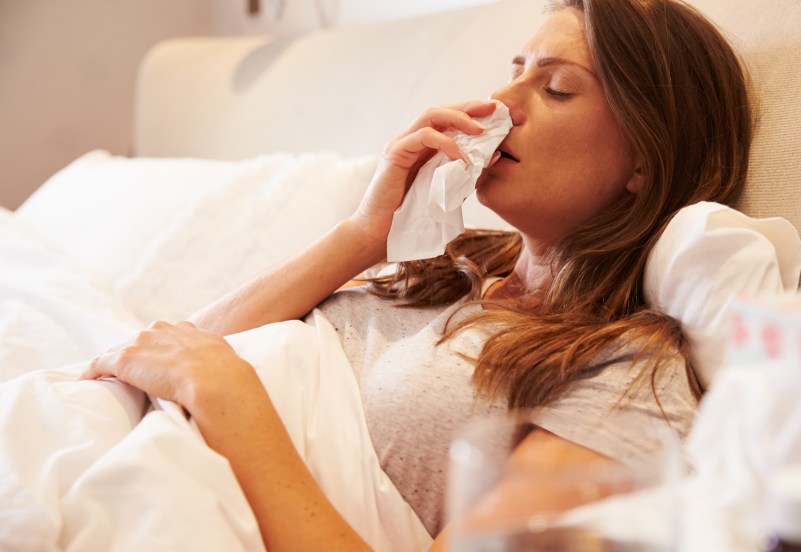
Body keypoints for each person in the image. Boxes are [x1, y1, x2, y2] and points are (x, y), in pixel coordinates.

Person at [81, 0, 752, 549]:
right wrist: (362, 234)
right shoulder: (455, 262)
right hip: (120, 440)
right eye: (513, 73)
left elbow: (210, 373)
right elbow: (178, 351)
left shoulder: (626, 370)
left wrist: (232, 400)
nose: (501, 100)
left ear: (645, 161)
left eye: (556, 88)